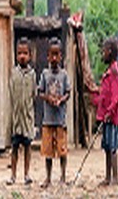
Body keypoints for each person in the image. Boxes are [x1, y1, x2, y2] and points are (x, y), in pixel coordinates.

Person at [38, 37, 71, 188]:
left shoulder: (64, 75)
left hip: (60, 120)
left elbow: (68, 93)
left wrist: (61, 100)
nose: (54, 58)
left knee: (62, 150)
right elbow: (40, 92)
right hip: (48, 120)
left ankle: (63, 176)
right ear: (47, 56)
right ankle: (48, 178)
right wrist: (48, 98)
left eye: (57, 54)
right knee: (48, 152)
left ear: (61, 56)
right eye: (52, 55)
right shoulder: (45, 74)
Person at [91, 37, 118, 186]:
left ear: (109, 52)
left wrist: (110, 111)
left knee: (113, 148)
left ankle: (114, 177)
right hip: (106, 116)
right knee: (107, 147)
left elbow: (116, 97)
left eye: (103, 51)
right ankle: (108, 177)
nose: (102, 54)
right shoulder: (109, 71)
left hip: (112, 117)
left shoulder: (114, 71)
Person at [7, 37, 36, 186]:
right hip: (16, 119)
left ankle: (26, 174)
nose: (22, 56)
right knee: (14, 147)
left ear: (30, 55)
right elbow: (11, 93)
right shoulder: (14, 73)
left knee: (28, 147)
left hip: (28, 118)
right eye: (19, 53)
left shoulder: (32, 75)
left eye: (25, 53)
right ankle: (13, 175)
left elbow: (33, 95)